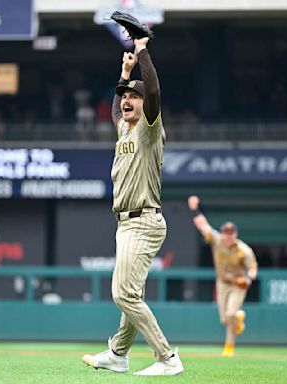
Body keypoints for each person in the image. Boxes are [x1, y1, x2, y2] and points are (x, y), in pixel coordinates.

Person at [82, 37, 183, 376]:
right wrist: (124, 75)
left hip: (143, 219)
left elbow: (153, 89)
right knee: (132, 293)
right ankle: (118, 354)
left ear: (145, 105)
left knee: (123, 293)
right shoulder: (125, 129)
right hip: (127, 223)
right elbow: (115, 111)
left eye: (133, 97)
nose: (126, 101)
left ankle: (167, 358)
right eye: (125, 96)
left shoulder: (149, 130)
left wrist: (141, 53)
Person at [188, 195, 258, 357]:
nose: (228, 235)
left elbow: (253, 268)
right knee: (225, 319)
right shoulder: (217, 240)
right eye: (226, 232)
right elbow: (202, 225)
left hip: (238, 284)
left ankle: (229, 346)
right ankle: (239, 319)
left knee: (231, 313)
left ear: (235, 234)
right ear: (223, 233)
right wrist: (195, 209)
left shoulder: (243, 249)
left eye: (231, 233)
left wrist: (247, 279)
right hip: (223, 283)